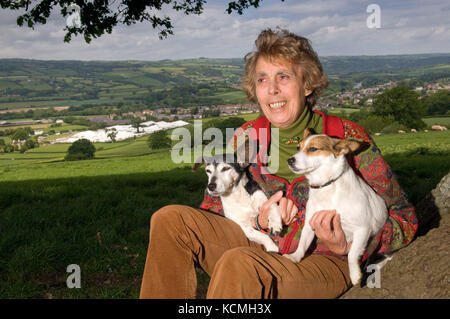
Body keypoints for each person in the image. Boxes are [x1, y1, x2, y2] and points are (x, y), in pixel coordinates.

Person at [139, 28, 418, 299]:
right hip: (256, 245)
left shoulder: (347, 138)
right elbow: (214, 208)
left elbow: (405, 220)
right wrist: (258, 218)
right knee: (169, 220)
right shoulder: (246, 137)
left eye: (283, 77)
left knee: (241, 263)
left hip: (321, 260)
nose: (272, 89)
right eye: (262, 79)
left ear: (307, 84)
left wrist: (347, 243)